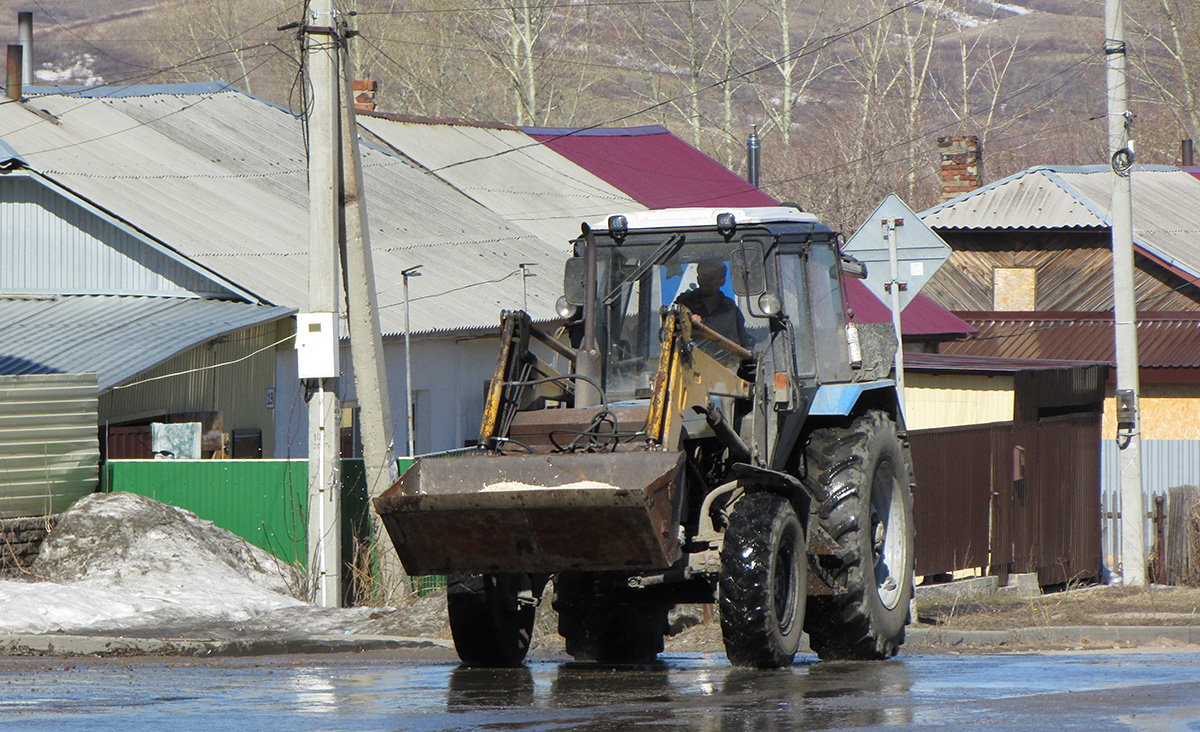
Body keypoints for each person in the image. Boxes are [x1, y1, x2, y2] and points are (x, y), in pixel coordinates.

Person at [674, 261, 751, 349]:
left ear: (722, 282)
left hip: (723, 362)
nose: (707, 282)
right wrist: (688, 322)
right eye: (703, 277)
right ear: (698, 279)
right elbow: (671, 331)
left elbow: (744, 344)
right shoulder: (684, 304)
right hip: (688, 359)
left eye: (712, 278)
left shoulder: (731, 311)